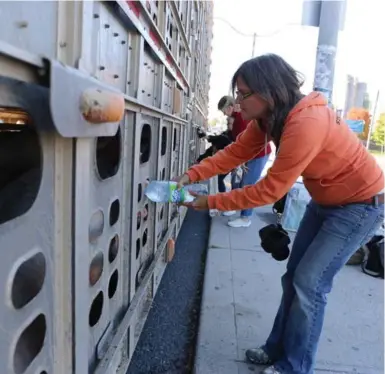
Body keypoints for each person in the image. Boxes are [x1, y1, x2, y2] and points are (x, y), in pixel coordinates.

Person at [174, 54, 384, 374]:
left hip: (360, 205)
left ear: (268, 91)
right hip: (325, 201)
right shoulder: (269, 119)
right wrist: (191, 175)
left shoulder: (306, 123)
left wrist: (208, 202)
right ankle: (276, 349)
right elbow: (235, 152)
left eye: (243, 93)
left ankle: (295, 367)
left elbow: (269, 190)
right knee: (294, 278)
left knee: (309, 284)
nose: (238, 102)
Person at [218, 95, 272, 227]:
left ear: (230, 108)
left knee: (248, 185)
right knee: (236, 181)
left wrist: (241, 162)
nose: (224, 114)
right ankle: (234, 207)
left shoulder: (239, 120)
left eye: (224, 111)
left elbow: (244, 144)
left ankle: (245, 218)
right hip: (251, 155)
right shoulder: (237, 119)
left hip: (259, 154)